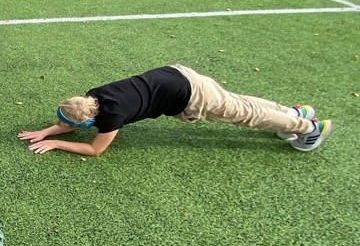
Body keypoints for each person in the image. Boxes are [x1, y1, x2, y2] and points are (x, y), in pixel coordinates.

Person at [17, 65, 333, 156]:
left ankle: (309, 129)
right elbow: (73, 122)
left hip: (192, 95)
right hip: (176, 73)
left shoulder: (111, 118)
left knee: (244, 114)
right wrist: (46, 131)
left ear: (88, 120)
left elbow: (95, 149)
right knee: (238, 101)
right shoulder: (94, 96)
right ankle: (295, 113)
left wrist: (56, 142)